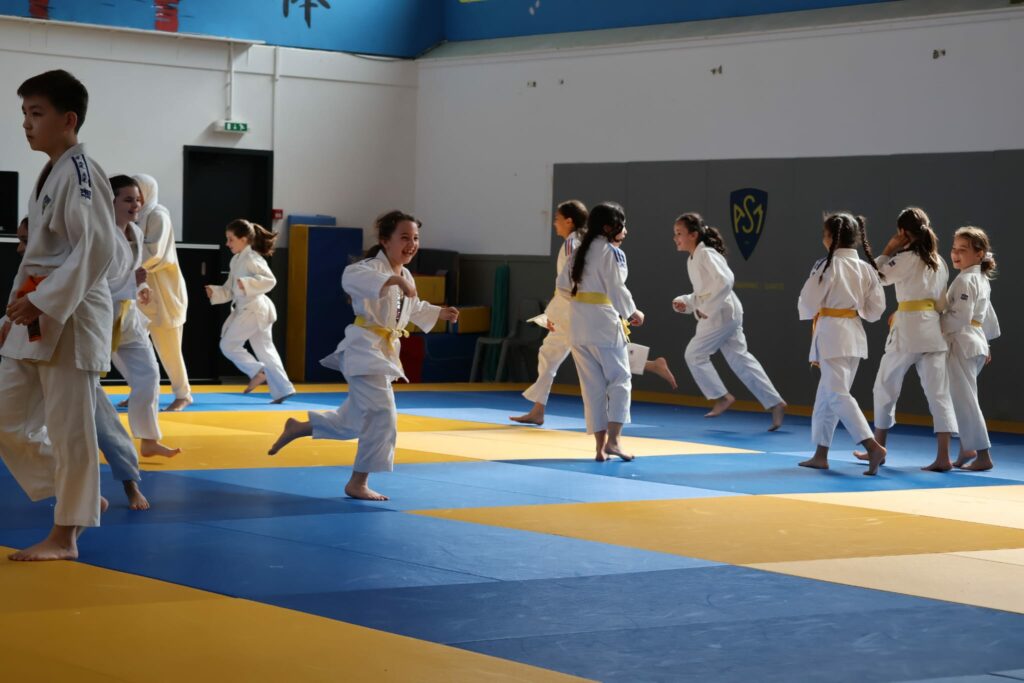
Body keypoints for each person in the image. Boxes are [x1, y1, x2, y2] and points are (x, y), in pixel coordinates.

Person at [0, 70, 116, 560]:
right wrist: (11, 316)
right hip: (36, 311)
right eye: (24, 113)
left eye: (37, 113)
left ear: (68, 120)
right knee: (5, 415)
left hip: (71, 315)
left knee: (71, 429)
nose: (26, 123)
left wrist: (44, 301)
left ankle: (66, 536)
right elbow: (37, 257)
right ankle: (80, 496)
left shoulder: (82, 171)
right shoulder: (52, 171)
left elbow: (99, 248)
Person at [268, 210, 458, 500]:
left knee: (355, 421)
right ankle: (358, 482)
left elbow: (410, 307)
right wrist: (394, 282)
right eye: (404, 237)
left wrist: (439, 312)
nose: (412, 244)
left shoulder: (405, 274)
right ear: (385, 240)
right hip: (364, 350)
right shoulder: (368, 268)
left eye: (416, 238)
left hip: (381, 353)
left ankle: (302, 427)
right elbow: (351, 278)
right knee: (383, 415)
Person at [854, 207, 958, 473]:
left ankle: (878, 447)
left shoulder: (905, 258)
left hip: (908, 332)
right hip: (933, 329)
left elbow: (874, 277)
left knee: (885, 386)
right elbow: (941, 303)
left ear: (902, 232)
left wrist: (889, 248)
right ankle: (944, 456)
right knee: (939, 393)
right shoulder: (939, 261)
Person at [671, 213, 786, 430]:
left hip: (721, 315)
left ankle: (722, 396)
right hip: (724, 313)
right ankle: (775, 402)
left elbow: (726, 281)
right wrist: (687, 302)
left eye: (679, 233)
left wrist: (706, 308)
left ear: (693, 235)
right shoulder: (694, 258)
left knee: (694, 354)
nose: (675, 238)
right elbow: (705, 291)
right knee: (740, 359)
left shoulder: (706, 253)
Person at [795, 213, 887, 472]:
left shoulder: (826, 265)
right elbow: (875, 310)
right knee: (827, 396)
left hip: (832, 334)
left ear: (829, 237)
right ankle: (821, 454)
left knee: (836, 395)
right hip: (854, 334)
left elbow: (808, 300)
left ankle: (872, 446)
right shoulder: (866, 268)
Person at [556, 201, 644, 461]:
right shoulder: (610, 252)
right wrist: (632, 312)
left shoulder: (578, 251)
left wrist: (581, 302)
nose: (625, 230)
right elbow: (616, 288)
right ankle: (614, 442)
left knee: (591, 387)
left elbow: (562, 287)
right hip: (604, 323)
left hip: (578, 323)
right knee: (620, 380)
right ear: (608, 227)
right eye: (622, 225)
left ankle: (599, 447)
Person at [109, 175, 180, 458]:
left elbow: (135, 272)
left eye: (138, 199)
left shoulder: (136, 234)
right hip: (97, 317)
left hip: (127, 316)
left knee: (149, 375)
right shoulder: (98, 235)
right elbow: (93, 282)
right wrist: (132, 282)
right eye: (128, 200)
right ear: (110, 201)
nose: (136, 205)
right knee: (82, 385)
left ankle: (148, 439)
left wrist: (141, 287)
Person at [511, 200, 587, 425]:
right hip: (572, 310)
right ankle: (538, 410)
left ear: (569, 221)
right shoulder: (580, 241)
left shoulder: (573, 243)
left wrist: (555, 313)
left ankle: (649, 364)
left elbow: (571, 280)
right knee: (552, 354)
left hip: (571, 311)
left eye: (557, 219)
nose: (554, 224)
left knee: (599, 356)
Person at [206, 219, 294, 403]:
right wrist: (216, 292)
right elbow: (230, 289)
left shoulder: (252, 258)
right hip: (254, 310)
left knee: (228, 345)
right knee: (266, 351)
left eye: (231, 239)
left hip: (254, 309)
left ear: (244, 239)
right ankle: (283, 389)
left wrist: (247, 283)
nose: (227, 243)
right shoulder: (236, 259)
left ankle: (257, 371)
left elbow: (270, 280)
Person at [133, 173, 191, 411]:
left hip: (164, 291)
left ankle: (183, 394)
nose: (135, 196)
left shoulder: (158, 215)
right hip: (140, 288)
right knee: (135, 346)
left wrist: (127, 263)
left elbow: (156, 252)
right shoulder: (136, 218)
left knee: (169, 348)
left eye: (138, 191)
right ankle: (143, 393)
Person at [942, 226, 998, 472]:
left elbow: (960, 317)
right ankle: (966, 449)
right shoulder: (979, 278)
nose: (956, 254)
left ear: (979, 254)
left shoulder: (966, 279)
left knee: (965, 401)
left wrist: (931, 326)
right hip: (974, 342)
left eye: (963, 250)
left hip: (963, 343)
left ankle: (983, 455)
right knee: (961, 398)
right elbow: (987, 316)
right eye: (954, 249)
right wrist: (986, 342)